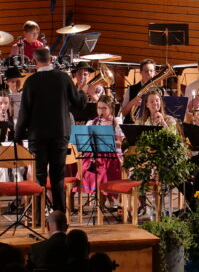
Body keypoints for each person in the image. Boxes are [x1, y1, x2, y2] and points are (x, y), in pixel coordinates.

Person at [13, 47, 85, 214]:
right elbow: (79, 103)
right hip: (60, 133)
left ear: (34, 61)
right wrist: (82, 91)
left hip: (37, 136)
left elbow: (24, 111)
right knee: (58, 176)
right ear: (51, 59)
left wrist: (18, 136)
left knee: (39, 176)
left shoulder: (31, 81)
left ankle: (39, 216)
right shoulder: (64, 78)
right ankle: (59, 216)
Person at [79, 94, 124, 207]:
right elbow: (84, 143)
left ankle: (104, 201)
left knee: (103, 171)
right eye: (99, 108)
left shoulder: (116, 121)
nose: (101, 111)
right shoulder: (92, 123)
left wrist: (107, 141)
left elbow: (122, 143)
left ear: (111, 109)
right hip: (95, 156)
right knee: (85, 170)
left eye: (104, 108)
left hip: (112, 155)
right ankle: (102, 200)